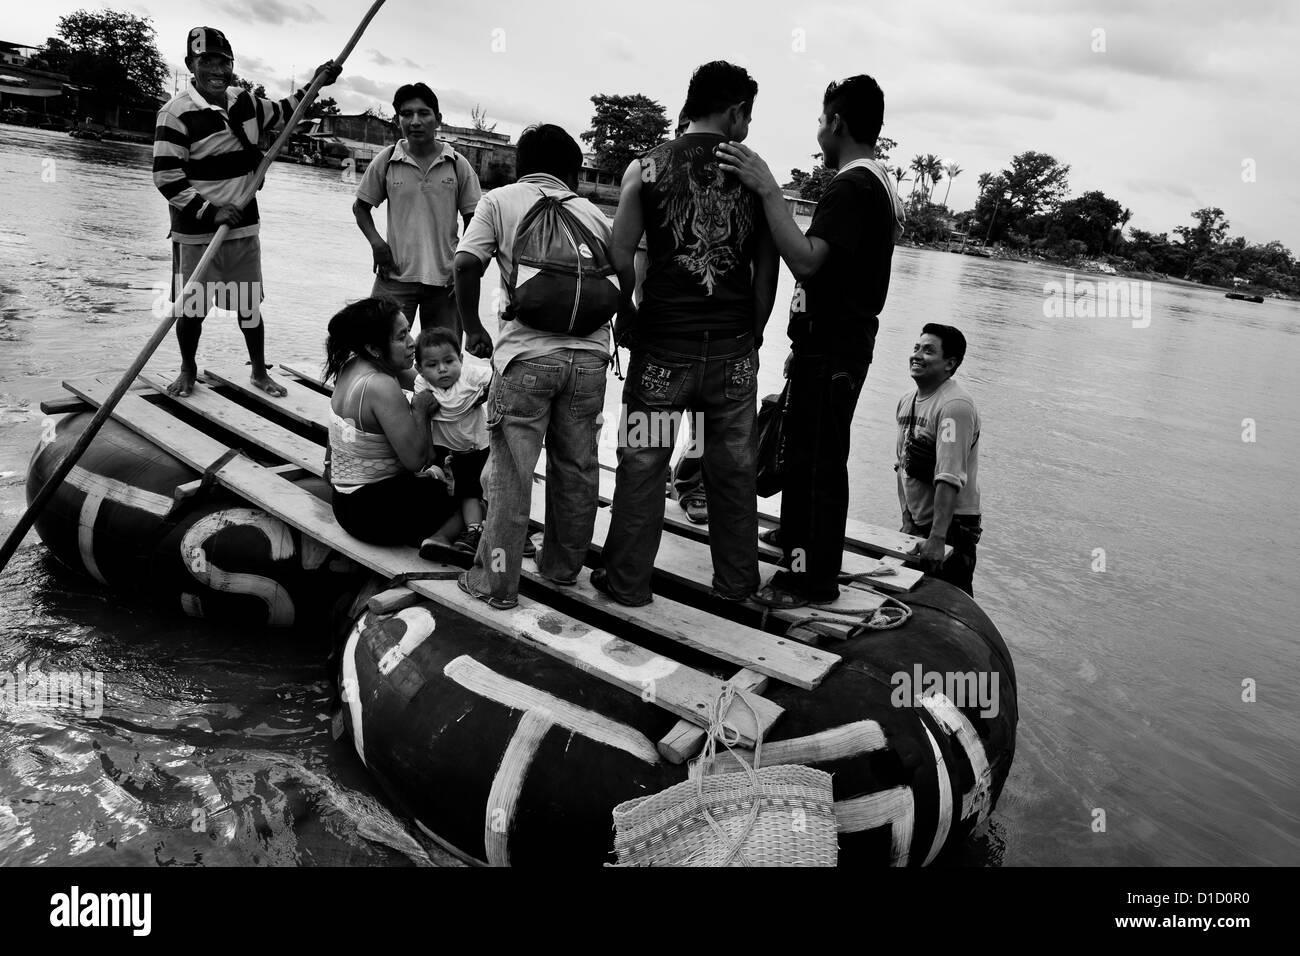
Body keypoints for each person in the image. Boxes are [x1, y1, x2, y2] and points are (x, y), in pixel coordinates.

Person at [716, 74, 905, 608]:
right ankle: (803, 549)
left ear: (837, 123)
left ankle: (810, 578)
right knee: (812, 453)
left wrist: (768, 189)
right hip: (837, 343)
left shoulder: (851, 186)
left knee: (817, 462)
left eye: (822, 120)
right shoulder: (876, 181)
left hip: (833, 346)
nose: (819, 130)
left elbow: (806, 260)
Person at [596, 61, 778, 606]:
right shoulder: (756, 175)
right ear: (735, 110)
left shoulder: (646, 167)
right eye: (748, 112)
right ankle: (736, 586)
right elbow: (765, 271)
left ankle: (628, 585)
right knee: (733, 471)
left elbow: (619, 253)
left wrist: (630, 311)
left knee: (644, 466)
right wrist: (754, 332)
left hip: (661, 353)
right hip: (732, 354)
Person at [452, 124, 615, 610]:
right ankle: (563, 569)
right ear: (573, 171)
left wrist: (472, 330)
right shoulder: (594, 214)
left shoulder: (500, 201)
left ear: (522, 164)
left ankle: (495, 584)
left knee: (511, 474)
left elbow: (465, 264)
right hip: (589, 362)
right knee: (578, 467)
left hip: (527, 358)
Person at [154, 25, 340, 398]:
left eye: (224, 62)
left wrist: (318, 82)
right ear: (191, 64)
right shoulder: (175, 114)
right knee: (191, 309)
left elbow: (288, 111)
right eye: (207, 61)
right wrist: (211, 211)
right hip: (196, 233)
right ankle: (188, 369)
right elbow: (166, 177)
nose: (217, 70)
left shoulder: (244, 101)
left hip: (243, 227)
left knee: (249, 305)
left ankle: (258, 371)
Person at [323, 297, 461, 550]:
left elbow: (423, 381)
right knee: (466, 490)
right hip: (374, 515)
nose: (412, 343)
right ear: (375, 348)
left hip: (345, 503)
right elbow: (416, 461)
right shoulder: (380, 385)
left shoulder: (352, 364)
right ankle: (440, 537)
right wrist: (420, 411)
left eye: (409, 331)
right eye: (401, 337)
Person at [353, 83, 482, 339]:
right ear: (397, 119)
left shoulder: (457, 165)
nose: (415, 121)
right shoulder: (388, 159)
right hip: (395, 276)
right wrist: (377, 243)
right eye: (406, 114)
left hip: (446, 283)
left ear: (438, 120)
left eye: (423, 114)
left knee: (443, 358)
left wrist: (464, 269)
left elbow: (475, 222)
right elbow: (361, 207)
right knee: (378, 346)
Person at [895, 324, 982, 596]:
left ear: (950, 364)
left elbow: (949, 475)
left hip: (951, 526)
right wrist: (907, 518)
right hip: (920, 521)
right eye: (916, 348)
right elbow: (902, 465)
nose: (918, 355)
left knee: (950, 599)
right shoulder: (907, 401)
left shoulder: (955, 407)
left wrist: (937, 538)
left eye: (929, 351)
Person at [411, 327, 492, 558]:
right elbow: (436, 411)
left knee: (470, 491)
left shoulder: (471, 375)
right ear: (420, 368)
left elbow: (499, 380)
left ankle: (474, 532)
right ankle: (462, 527)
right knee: (454, 491)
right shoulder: (422, 384)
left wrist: (484, 394)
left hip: (475, 447)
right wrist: (473, 400)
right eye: (432, 365)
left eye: (449, 361)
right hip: (445, 450)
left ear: (461, 359)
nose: (443, 369)